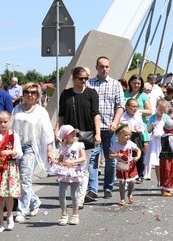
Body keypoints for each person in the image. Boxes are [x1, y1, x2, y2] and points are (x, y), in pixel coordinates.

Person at [56, 67, 101, 206]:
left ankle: (79, 199)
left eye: (86, 78)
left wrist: (98, 134)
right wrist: (57, 131)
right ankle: (75, 195)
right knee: (69, 167)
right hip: (69, 136)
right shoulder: (66, 94)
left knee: (83, 167)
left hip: (87, 134)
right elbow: (61, 114)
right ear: (73, 78)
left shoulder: (91, 93)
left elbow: (96, 114)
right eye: (80, 78)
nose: (83, 81)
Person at [12, 82, 55, 223]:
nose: (29, 95)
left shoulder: (41, 111)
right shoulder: (17, 109)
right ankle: (35, 201)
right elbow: (12, 129)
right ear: (23, 94)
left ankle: (21, 211)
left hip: (31, 148)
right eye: (27, 92)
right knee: (19, 181)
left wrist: (49, 150)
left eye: (33, 93)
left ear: (37, 96)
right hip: (16, 148)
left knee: (25, 179)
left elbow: (48, 132)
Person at [87, 56, 125, 199]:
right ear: (96, 67)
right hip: (94, 129)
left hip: (110, 128)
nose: (104, 69)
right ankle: (93, 189)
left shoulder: (115, 84)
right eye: (101, 66)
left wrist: (115, 122)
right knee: (93, 160)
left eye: (107, 66)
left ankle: (108, 187)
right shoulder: (89, 84)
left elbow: (120, 106)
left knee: (110, 160)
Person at [54, 124, 86, 226]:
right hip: (64, 172)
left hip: (75, 172)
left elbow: (83, 158)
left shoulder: (79, 145)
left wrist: (72, 162)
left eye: (74, 132)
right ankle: (64, 214)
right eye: (71, 132)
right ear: (65, 136)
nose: (73, 133)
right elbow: (60, 160)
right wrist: (58, 163)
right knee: (61, 194)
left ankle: (75, 215)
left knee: (74, 195)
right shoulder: (63, 147)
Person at [110, 123, 141, 206]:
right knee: (122, 183)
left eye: (129, 135)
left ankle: (130, 193)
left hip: (130, 165)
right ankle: (122, 198)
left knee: (132, 181)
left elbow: (138, 150)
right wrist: (116, 155)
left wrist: (137, 157)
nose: (128, 137)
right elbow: (110, 155)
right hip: (121, 166)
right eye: (125, 135)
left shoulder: (130, 143)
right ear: (119, 135)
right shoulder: (116, 145)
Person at [120, 98, 147, 184]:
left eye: (136, 106)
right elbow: (119, 126)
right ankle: (126, 174)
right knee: (125, 155)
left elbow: (142, 127)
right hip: (125, 137)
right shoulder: (122, 116)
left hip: (136, 136)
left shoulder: (138, 116)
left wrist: (139, 130)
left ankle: (140, 174)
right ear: (127, 107)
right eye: (133, 106)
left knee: (139, 155)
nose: (135, 108)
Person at [144, 99, 171, 185]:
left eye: (163, 109)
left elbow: (171, 129)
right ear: (156, 107)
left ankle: (165, 179)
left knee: (165, 161)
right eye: (160, 108)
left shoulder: (166, 117)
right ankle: (159, 181)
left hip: (164, 141)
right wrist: (151, 126)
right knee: (157, 162)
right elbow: (148, 131)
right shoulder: (152, 117)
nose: (161, 111)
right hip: (155, 141)